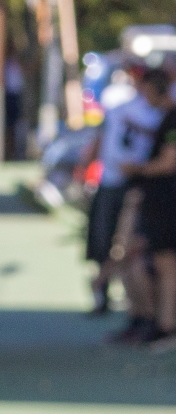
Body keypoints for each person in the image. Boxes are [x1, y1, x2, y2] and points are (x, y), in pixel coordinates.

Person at [87, 62, 166, 324]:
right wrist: (90, 161)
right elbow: (103, 134)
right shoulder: (118, 104)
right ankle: (108, 293)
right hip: (111, 180)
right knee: (104, 241)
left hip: (135, 185)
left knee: (130, 247)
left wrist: (138, 169)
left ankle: (146, 314)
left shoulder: (159, 113)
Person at [125, 78, 176, 346]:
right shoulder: (165, 119)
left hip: (165, 203)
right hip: (158, 202)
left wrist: (135, 169)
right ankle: (154, 322)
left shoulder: (172, 119)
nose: (144, 99)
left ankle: (166, 326)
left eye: (147, 93)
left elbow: (168, 162)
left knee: (165, 265)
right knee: (151, 264)